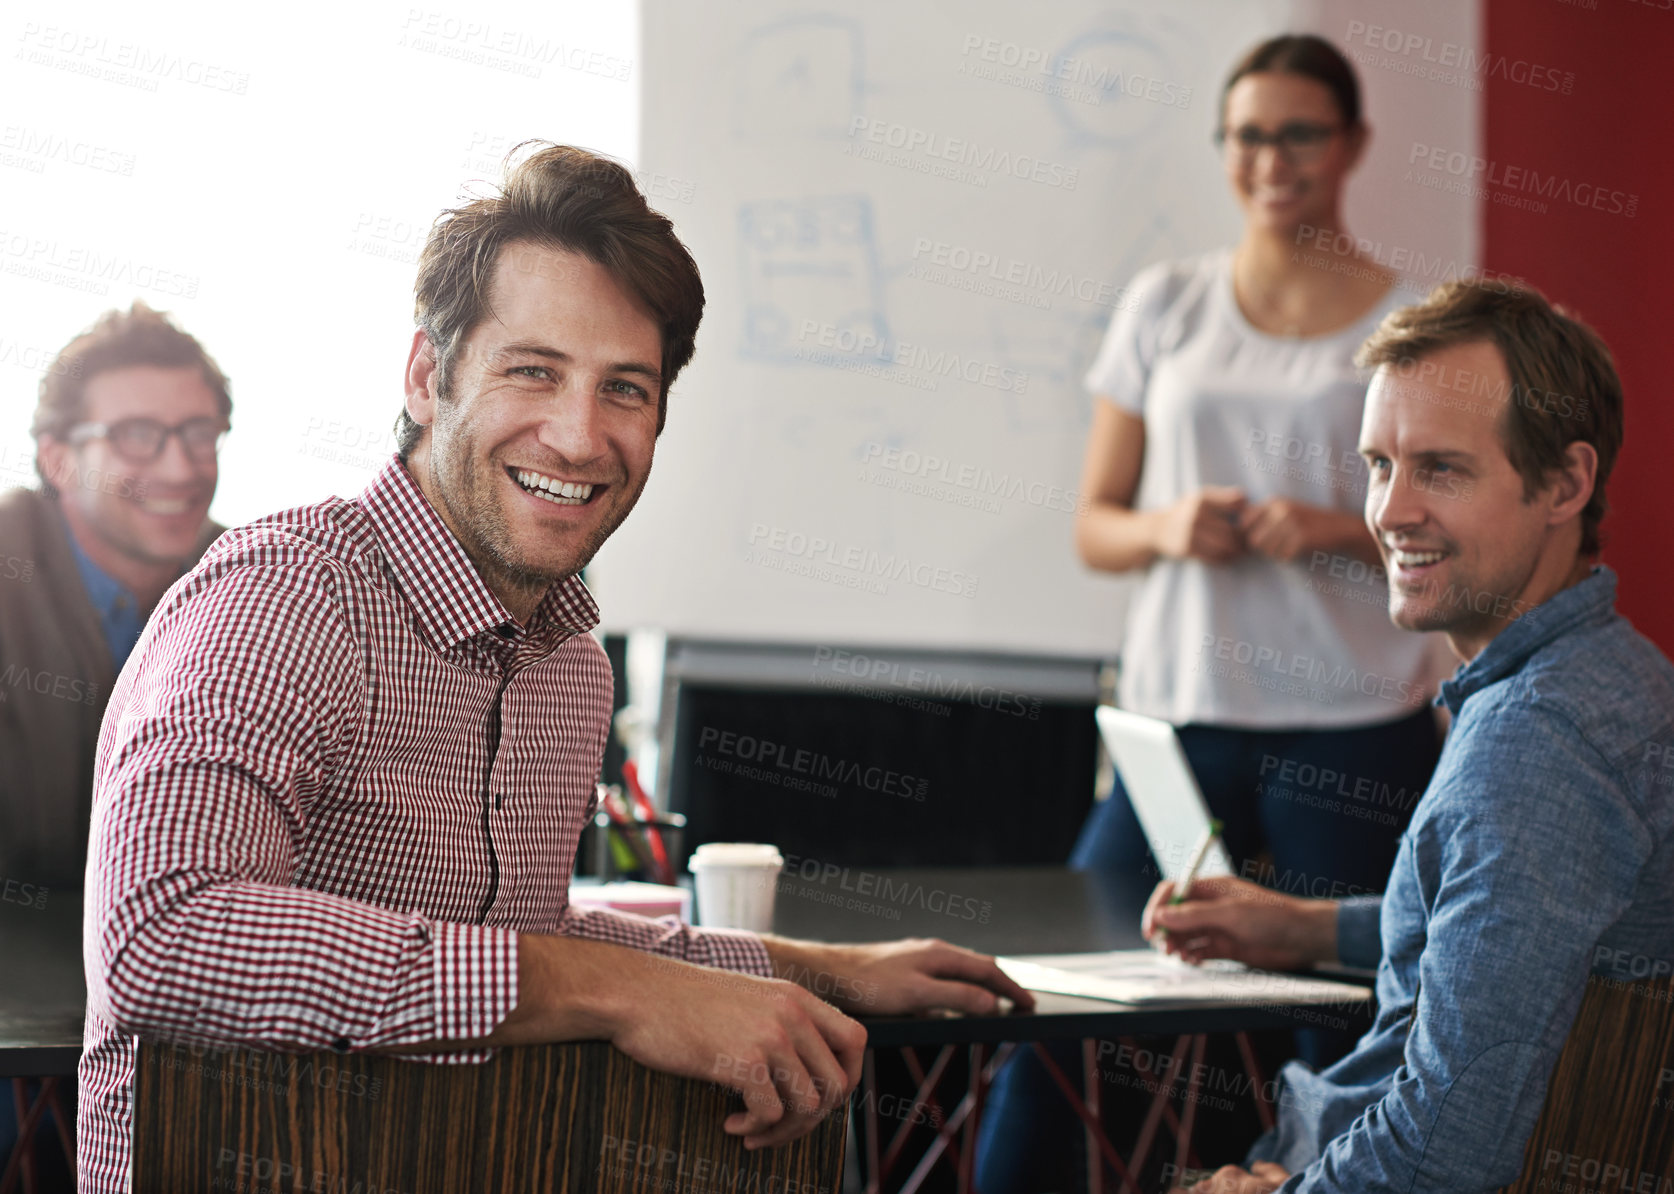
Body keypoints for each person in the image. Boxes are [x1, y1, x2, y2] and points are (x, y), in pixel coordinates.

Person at [77, 144, 1032, 1193]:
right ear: (427, 378)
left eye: (624, 388)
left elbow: (510, 944)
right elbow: (162, 936)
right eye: (532, 370)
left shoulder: (567, 666)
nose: (579, 436)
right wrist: (616, 990)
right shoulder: (287, 598)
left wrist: (826, 972)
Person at [979, 35, 1446, 1189]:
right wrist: (1170, 528)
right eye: (1248, 134)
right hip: (1180, 723)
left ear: (1351, 146)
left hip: (1356, 728)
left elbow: (1449, 519)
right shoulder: (1167, 302)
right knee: (1066, 1003)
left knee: (1354, 1024)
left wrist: (1334, 527)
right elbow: (1098, 525)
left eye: (1299, 132)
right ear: (1223, 149)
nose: (1271, 158)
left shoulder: (1415, 319)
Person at [1143, 278, 1673, 1192]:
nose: (1386, 512)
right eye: (1380, 464)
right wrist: (1300, 929)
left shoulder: (1533, 749)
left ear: (1566, 482)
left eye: (1441, 468)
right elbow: (1502, 934)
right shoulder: (1611, 673)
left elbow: (1445, 1149)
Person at [0, 300, 229, 888]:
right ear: (57, 459)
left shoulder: (250, 585)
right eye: (137, 435)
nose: (180, 469)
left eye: (199, 433)